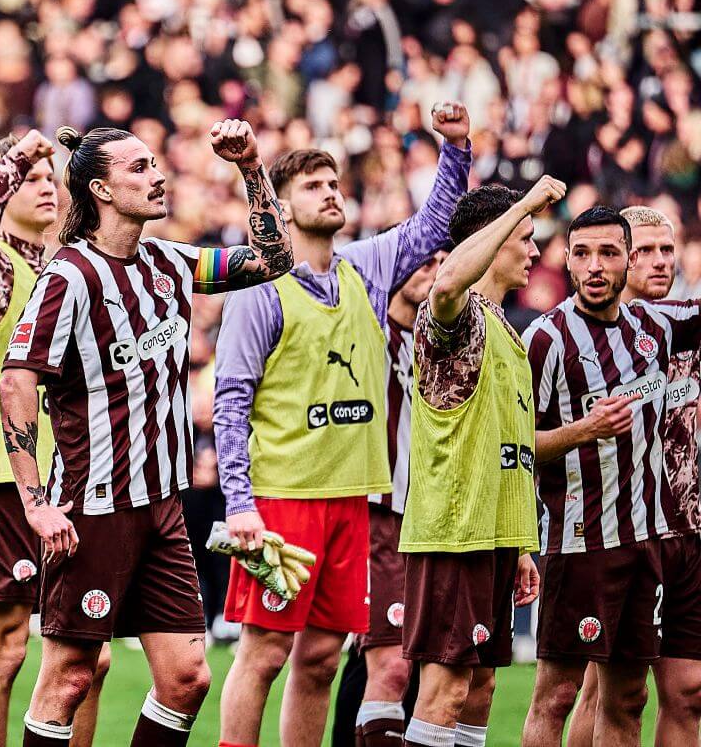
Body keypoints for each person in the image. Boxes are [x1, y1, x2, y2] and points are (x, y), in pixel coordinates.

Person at [0, 119, 294, 746]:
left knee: (187, 678)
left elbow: (273, 260)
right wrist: (34, 503)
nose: (157, 175)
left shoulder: (169, 263)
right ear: (101, 191)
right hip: (94, 507)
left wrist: (250, 167)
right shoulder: (71, 278)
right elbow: (15, 382)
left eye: (154, 164)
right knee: (70, 677)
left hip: (163, 507)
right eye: (138, 168)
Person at [214, 102, 472, 747]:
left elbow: (436, 222)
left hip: (350, 497)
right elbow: (231, 399)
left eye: (334, 184)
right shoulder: (260, 286)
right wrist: (240, 503)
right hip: (281, 499)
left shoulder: (366, 266)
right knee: (264, 654)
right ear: (280, 203)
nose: (331, 193)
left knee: (323, 659)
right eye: (313, 186)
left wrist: (456, 147)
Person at [0, 129, 109, 746]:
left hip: (66, 476)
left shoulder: (63, 270)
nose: (46, 186)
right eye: (30, 178)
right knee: (5, 650)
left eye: (50, 177)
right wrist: (18, 156)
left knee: (91, 652)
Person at [525, 206, 701, 747]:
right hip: (578, 543)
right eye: (582, 253)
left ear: (626, 261)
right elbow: (512, 446)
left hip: (643, 544)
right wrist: (583, 429)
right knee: (556, 696)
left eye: (608, 253)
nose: (595, 266)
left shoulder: (655, 329)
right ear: (567, 262)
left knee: (628, 697)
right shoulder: (545, 340)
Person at [400, 178, 564, 747]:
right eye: (526, 237)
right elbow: (446, 282)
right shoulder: (456, 316)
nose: (537, 252)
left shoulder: (506, 333)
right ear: (492, 242)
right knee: (445, 690)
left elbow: (510, 450)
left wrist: (521, 544)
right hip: (454, 532)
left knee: (481, 689)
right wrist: (522, 202)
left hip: (494, 537)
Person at [330, 250, 447, 747]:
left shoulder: (439, 345)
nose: (431, 269)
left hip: (427, 521)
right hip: (374, 516)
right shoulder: (367, 332)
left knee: (412, 662)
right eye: (422, 259)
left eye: (442, 261)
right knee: (384, 662)